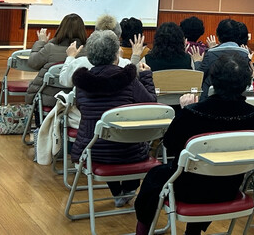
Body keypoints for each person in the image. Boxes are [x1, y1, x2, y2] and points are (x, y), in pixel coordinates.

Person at [133, 53, 254, 235]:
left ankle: (143, 230)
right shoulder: (253, 114)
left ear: (213, 80)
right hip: (229, 186)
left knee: (154, 176)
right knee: (203, 172)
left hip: (188, 189)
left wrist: (184, 111)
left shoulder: (193, 112)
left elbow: (170, 144)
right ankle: (193, 231)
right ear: (246, 83)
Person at [71, 30, 156, 207]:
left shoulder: (82, 83)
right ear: (116, 55)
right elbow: (151, 105)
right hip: (130, 150)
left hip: (92, 150)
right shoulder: (129, 79)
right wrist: (146, 77)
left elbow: (82, 108)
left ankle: (118, 193)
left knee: (103, 133)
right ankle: (128, 190)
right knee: (128, 142)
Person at [59, 14, 140, 87]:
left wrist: (70, 57)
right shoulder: (125, 65)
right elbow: (134, 83)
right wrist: (129, 57)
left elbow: (64, 81)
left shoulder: (80, 64)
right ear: (118, 38)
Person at [25, 13, 87, 110]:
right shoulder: (88, 52)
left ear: (61, 29)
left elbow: (33, 63)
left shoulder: (50, 48)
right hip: (76, 100)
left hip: (47, 98)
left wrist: (41, 42)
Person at [196, 19, 249, 100]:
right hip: (236, 98)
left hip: (211, 100)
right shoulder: (245, 54)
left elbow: (199, 76)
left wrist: (197, 61)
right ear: (238, 35)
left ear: (218, 35)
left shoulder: (210, 53)